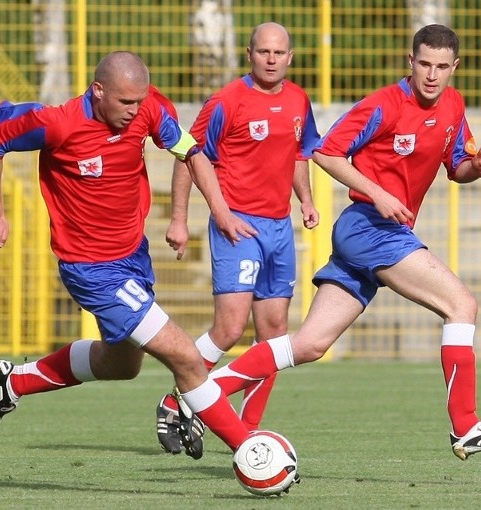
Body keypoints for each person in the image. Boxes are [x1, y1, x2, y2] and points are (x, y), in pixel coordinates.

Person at [205, 24, 481, 461]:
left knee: (311, 344)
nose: (432, 75)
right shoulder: (385, 104)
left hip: (378, 234)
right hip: (369, 227)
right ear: (409, 62)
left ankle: (204, 391)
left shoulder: (453, 105)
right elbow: (326, 152)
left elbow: (456, 166)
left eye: (441, 67)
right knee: (462, 305)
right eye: (424, 64)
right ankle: (466, 425)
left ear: (455, 67)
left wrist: (476, 167)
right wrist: (378, 192)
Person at [0, 51, 260, 459]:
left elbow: (191, 152)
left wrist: (219, 213)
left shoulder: (149, 108)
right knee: (185, 357)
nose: (135, 110)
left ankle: (13, 382)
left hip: (133, 257)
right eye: (126, 102)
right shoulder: (57, 123)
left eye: (139, 100)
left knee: (122, 365)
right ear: (98, 91)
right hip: (92, 270)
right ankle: (251, 452)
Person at [154, 22, 321, 456]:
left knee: (274, 336)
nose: (271, 59)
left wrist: (305, 200)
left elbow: (299, 153)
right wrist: (179, 219)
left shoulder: (299, 100)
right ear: (249, 54)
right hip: (236, 224)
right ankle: (177, 400)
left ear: (290, 57)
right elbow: (187, 156)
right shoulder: (227, 101)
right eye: (263, 51)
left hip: (279, 228)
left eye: (279, 52)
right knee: (229, 327)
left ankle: (246, 434)